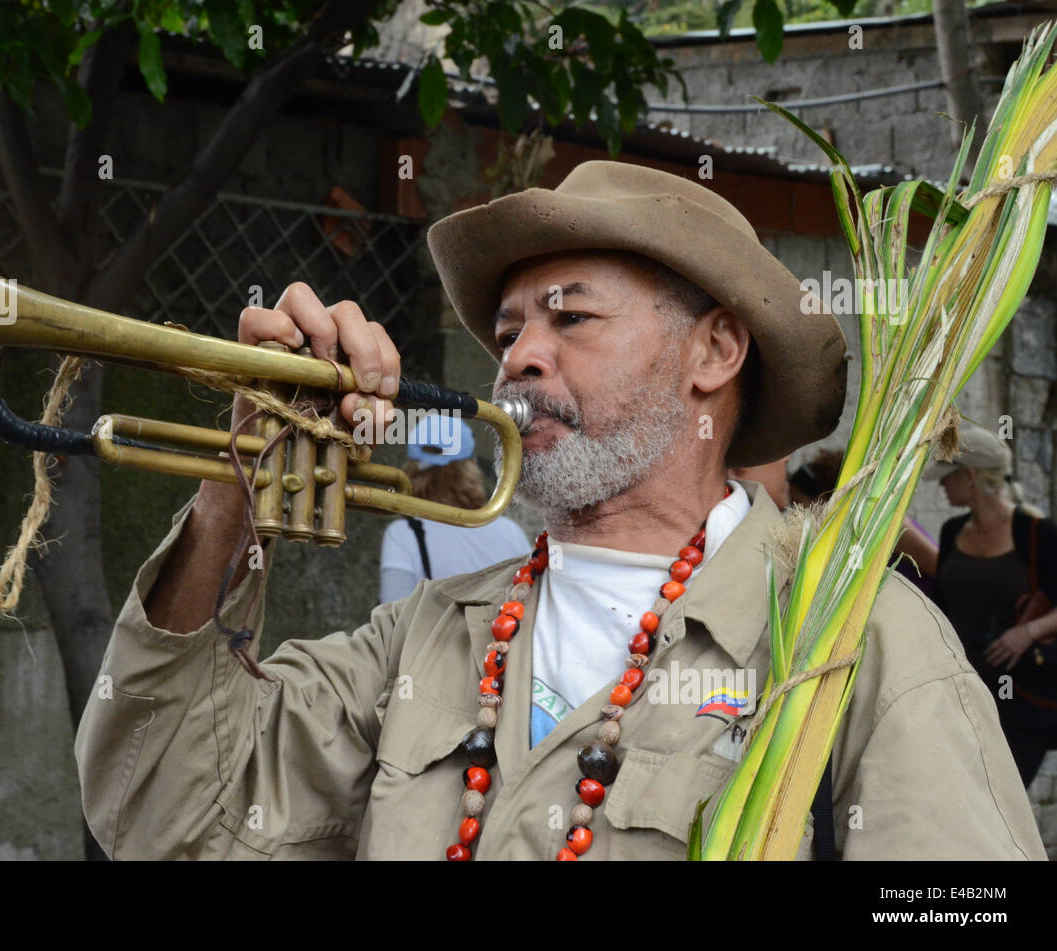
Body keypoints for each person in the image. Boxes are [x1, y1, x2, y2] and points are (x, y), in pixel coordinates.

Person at [75, 161, 1044, 860]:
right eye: (508, 332)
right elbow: (161, 819)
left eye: (570, 318)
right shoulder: (420, 640)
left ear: (713, 353)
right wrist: (230, 497)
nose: (518, 359)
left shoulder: (855, 636)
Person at [924, 418, 1057, 788]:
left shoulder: (1035, 531)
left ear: (972, 477)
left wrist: (1027, 632)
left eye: (949, 476)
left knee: (1003, 801)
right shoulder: (952, 532)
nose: (943, 487)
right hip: (965, 689)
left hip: (1023, 695)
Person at [379, 415, 530, 604]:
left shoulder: (403, 535)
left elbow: (392, 617)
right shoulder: (511, 532)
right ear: (471, 464)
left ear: (412, 466)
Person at [788, 448, 939, 599]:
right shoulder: (849, 530)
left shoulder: (883, 520)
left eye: (800, 504)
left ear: (823, 499)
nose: (799, 512)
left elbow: (938, 567)